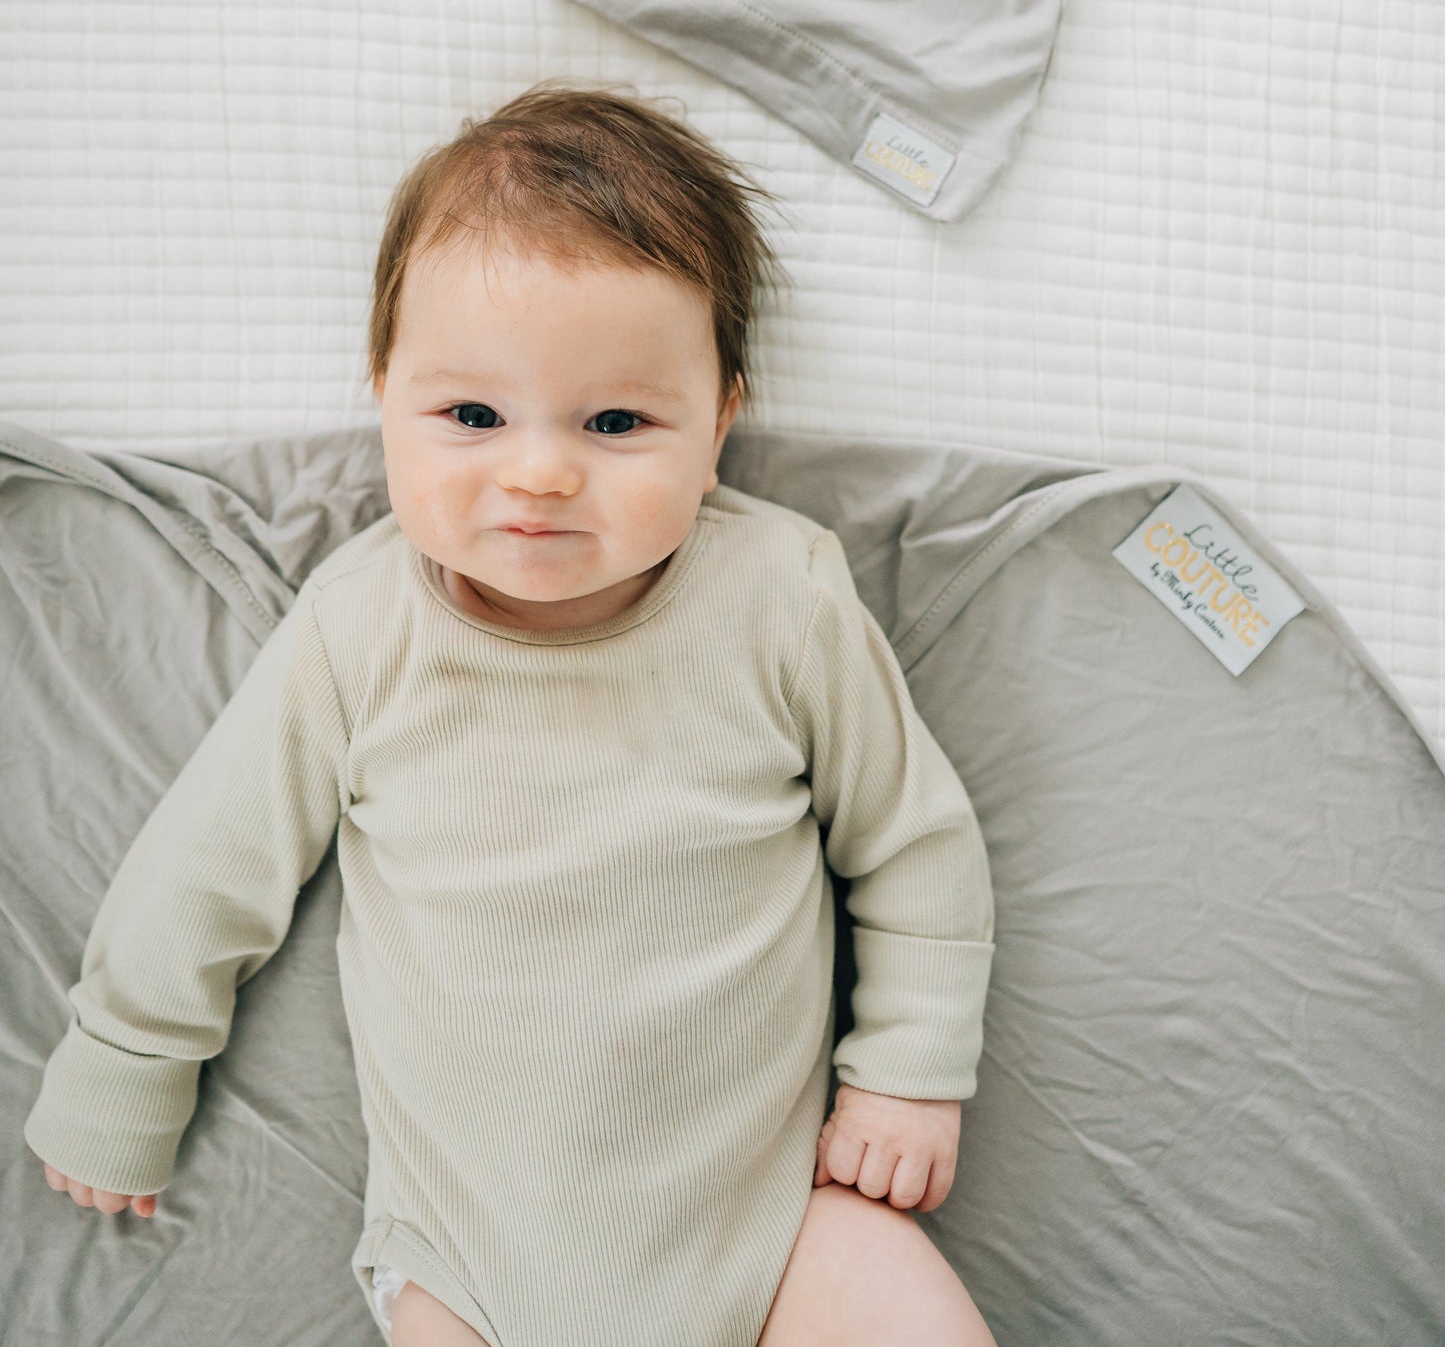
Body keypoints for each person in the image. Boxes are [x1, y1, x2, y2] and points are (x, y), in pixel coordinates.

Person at [26, 82, 998, 1347]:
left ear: (719, 426)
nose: (538, 471)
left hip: (773, 1229)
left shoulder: (779, 595)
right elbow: (209, 866)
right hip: (469, 1261)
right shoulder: (360, 627)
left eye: (616, 422)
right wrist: (122, 1064)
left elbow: (913, 845)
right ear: (385, 395)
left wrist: (910, 1073)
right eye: (471, 416)